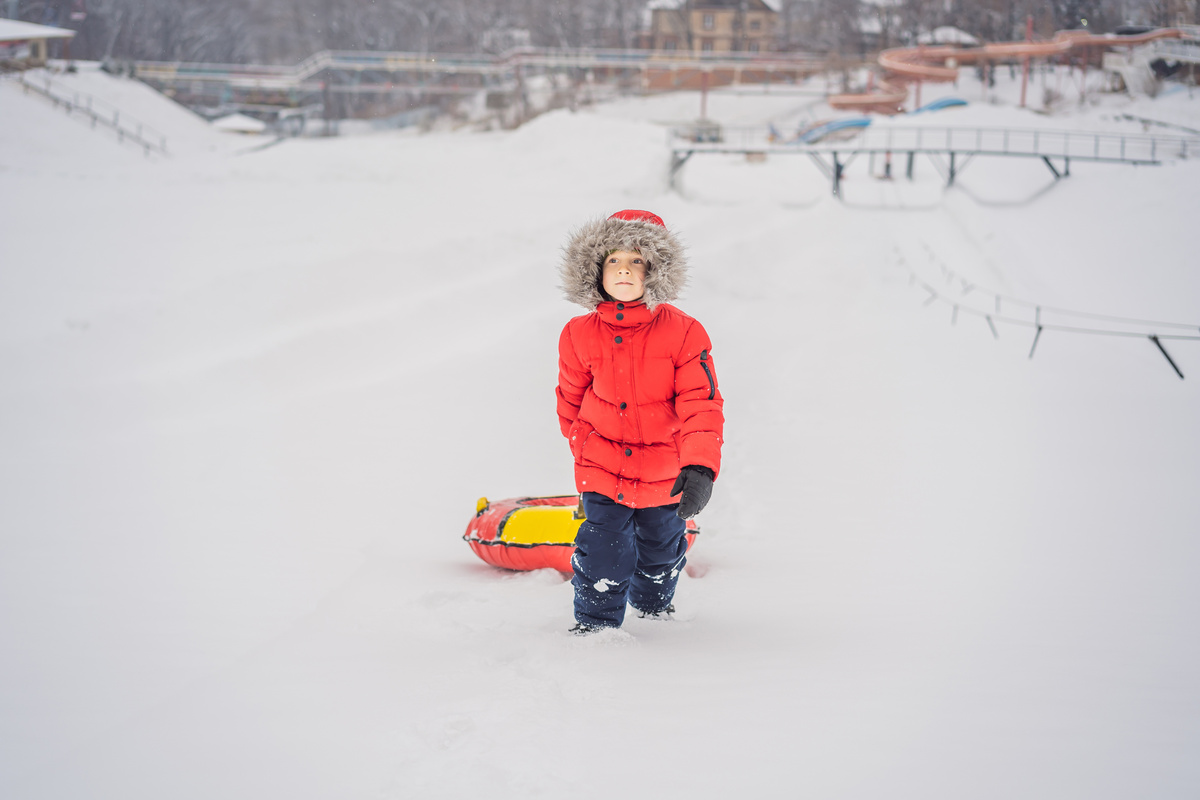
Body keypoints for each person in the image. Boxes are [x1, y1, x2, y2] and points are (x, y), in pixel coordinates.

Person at [556, 209, 725, 634]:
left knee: (660, 551)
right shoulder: (578, 333)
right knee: (601, 548)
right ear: (595, 267)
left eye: (637, 261)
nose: (625, 271)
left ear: (656, 270)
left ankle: (654, 612)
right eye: (614, 260)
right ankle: (594, 628)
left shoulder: (685, 333)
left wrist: (699, 466)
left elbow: (701, 403)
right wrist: (582, 442)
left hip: (665, 469)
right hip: (601, 463)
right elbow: (570, 398)